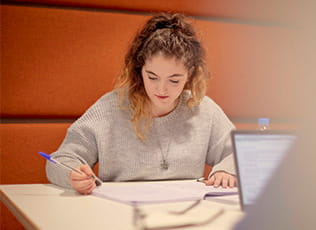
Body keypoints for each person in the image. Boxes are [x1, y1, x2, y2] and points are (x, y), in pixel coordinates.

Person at [46, 13, 237, 195]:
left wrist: (227, 171)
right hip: (120, 216)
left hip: (186, 215)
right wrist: (72, 174)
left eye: (174, 80)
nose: (161, 89)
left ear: (190, 73)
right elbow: (59, 160)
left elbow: (242, 153)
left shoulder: (202, 109)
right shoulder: (109, 108)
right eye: (152, 77)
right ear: (140, 69)